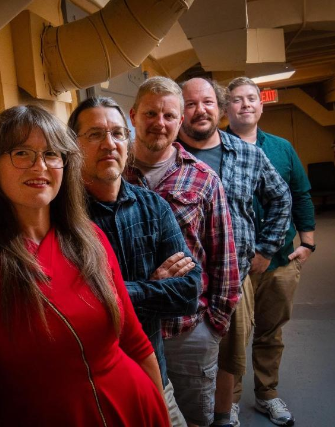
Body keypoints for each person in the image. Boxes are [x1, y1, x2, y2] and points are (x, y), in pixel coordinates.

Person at [0, 104, 170, 426]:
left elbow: (135, 340)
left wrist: (160, 410)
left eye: (51, 154)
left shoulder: (90, 238)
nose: (39, 166)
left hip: (135, 405)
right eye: (22, 153)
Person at [67, 96, 202, 426]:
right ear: (72, 146)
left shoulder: (153, 207)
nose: (109, 143)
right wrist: (152, 288)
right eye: (95, 134)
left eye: (117, 133)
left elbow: (189, 292)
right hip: (95, 392)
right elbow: (74, 306)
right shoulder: (64, 219)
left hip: (155, 378)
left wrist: (121, 293)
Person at [124, 76, 240, 427]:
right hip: (130, 330)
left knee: (193, 418)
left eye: (169, 115)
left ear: (180, 121)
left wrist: (213, 326)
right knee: (142, 417)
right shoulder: (111, 174)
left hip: (188, 332)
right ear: (133, 115)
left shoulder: (204, 179)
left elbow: (224, 259)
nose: (159, 123)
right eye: (150, 113)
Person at [178, 77, 291, 427]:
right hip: (183, 283)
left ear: (220, 107)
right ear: (180, 111)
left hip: (234, 278)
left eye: (208, 102)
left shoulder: (247, 153)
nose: (200, 110)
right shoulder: (169, 155)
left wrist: (266, 250)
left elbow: (281, 197)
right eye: (191, 104)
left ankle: (224, 416)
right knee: (186, 359)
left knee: (230, 356)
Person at [226, 76, 315, 427]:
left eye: (251, 98)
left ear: (261, 105)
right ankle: (228, 401)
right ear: (227, 108)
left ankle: (267, 394)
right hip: (236, 265)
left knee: (270, 331)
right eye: (237, 99)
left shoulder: (281, 148)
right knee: (232, 337)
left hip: (280, 261)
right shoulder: (216, 149)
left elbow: (300, 194)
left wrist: (307, 243)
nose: (246, 104)